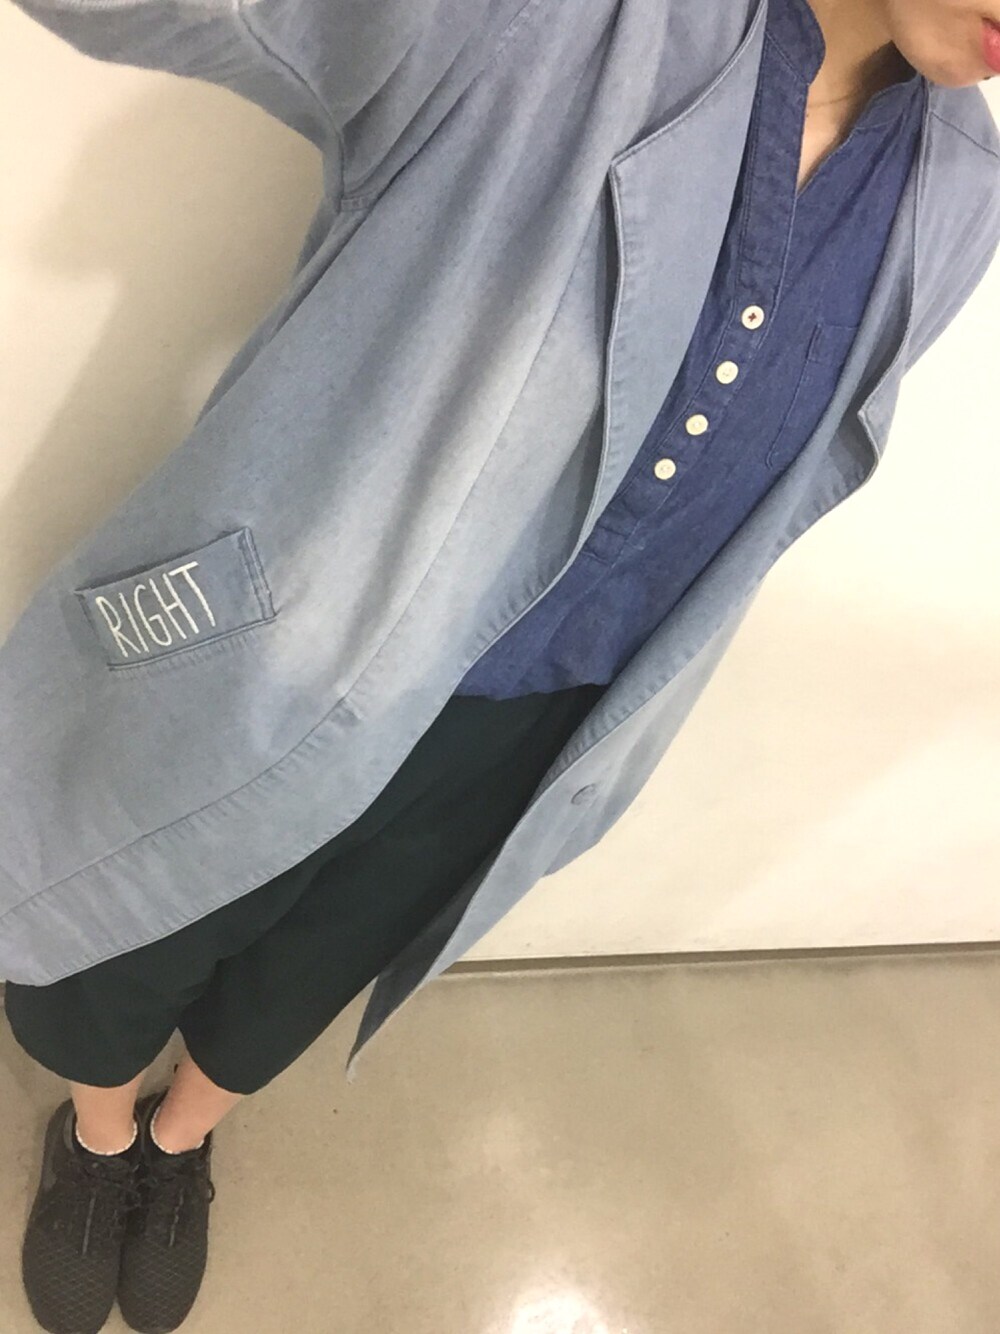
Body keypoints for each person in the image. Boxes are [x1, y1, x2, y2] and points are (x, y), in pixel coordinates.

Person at [2, 0, 998, 1330]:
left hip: (547, 712)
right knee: (144, 921)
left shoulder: (961, 192)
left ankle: (181, 1140)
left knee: (319, 955)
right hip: (301, 657)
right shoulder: (560, 22)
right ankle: (100, 1134)